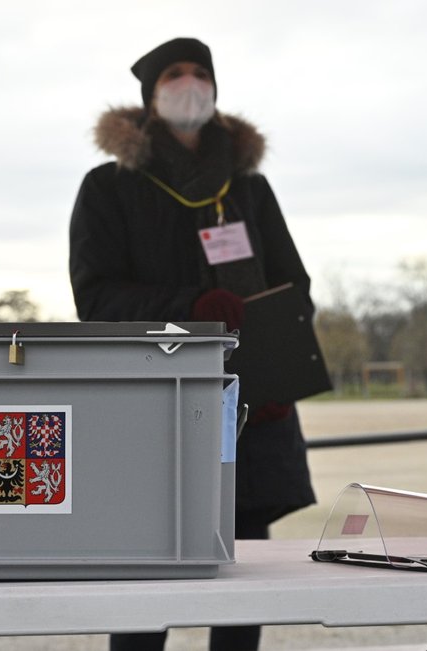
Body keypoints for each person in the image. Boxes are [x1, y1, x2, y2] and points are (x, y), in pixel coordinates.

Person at [69, 37, 317, 651]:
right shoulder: (108, 188)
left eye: (200, 72)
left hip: (247, 409)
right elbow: (96, 300)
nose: (189, 83)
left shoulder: (248, 189)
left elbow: (294, 287)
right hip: (149, 408)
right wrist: (190, 310)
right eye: (174, 74)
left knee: (241, 577)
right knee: (145, 579)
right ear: (149, 97)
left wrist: (278, 375)